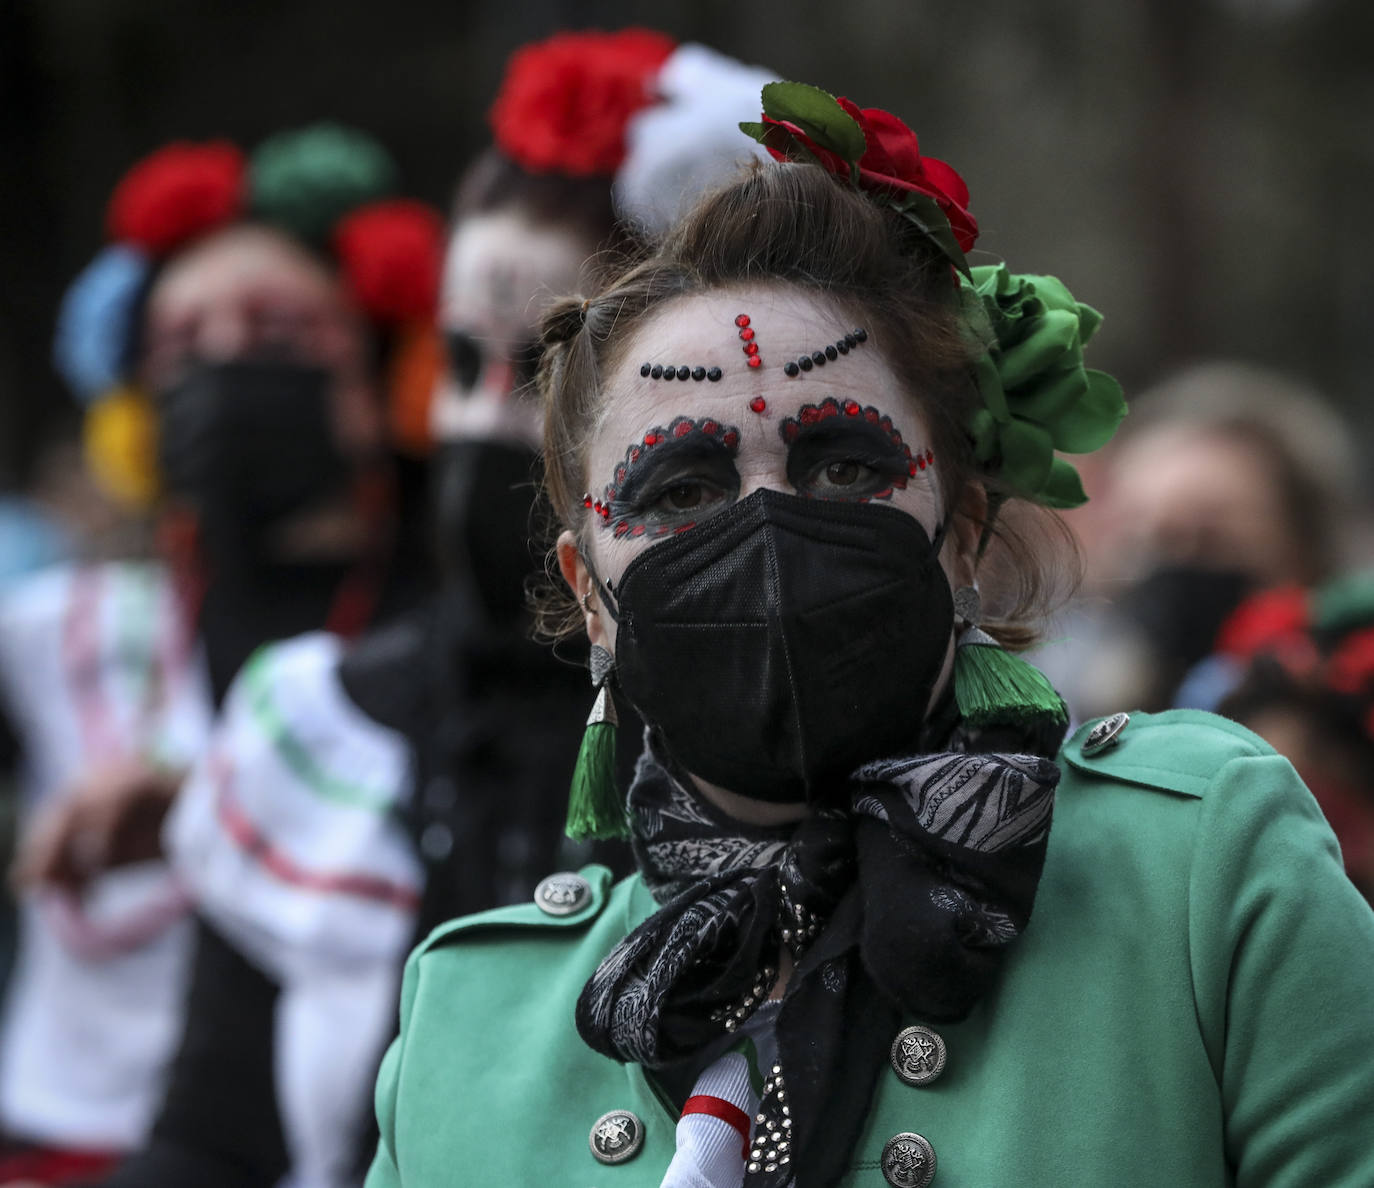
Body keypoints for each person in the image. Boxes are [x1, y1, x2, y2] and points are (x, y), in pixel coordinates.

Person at [365, 83, 1374, 1187]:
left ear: (964, 533)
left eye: (844, 467)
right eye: (683, 488)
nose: (766, 525)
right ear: (590, 591)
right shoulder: (463, 1027)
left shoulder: (1197, 873)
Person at [86, 31, 776, 1188]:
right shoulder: (317, 727)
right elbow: (212, 1140)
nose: (487, 423)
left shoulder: (789, 754)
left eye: (546, 376)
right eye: (461, 366)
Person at [0, 125, 439, 1186]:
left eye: (280, 330)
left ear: (383, 372)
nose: (227, 360)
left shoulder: (456, 635)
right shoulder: (60, 630)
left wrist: (202, 808)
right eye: (183, 344)